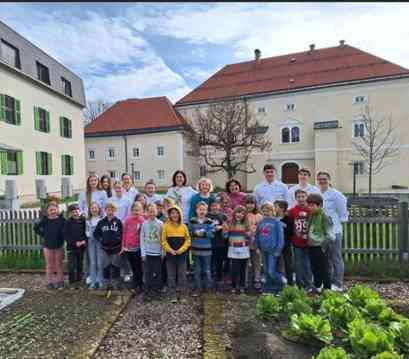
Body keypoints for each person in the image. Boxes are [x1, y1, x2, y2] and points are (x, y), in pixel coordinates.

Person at [317, 171, 348, 292]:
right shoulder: (317, 193)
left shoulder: (336, 194)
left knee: (335, 257)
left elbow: (342, 213)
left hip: (334, 231)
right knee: (325, 258)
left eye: (324, 179)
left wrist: (335, 225)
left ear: (329, 180)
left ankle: (338, 283)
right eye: (320, 179)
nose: (322, 181)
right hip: (321, 232)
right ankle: (328, 282)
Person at [161, 205, 191, 302]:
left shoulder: (183, 226)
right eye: (172, 213)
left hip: (182, 255)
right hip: (170, 255)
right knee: (171, 275)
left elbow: (188, 240)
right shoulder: (166, 225)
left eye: (176, 212)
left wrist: (181, 250)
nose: (175, 215)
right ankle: (172, 294)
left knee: (182, 275)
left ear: (179, 214)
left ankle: (182, 294)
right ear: (169, 214)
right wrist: (170, 250)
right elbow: (163, 241)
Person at [306, 193, 335, 293]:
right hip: (311, 246)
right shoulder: (312, 215)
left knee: (325, 269)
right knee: (315, 268)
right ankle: (317, 287)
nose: (310, 207)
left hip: (321, 247)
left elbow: (330, 235)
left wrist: (323, 246)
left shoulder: (324, 216)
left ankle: (327, 289)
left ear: (320, 205)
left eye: (312, 205)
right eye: (309, 205)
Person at [34, 202, 66, 290]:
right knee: (49, 265)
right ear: (47, 211)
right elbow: (36, 228)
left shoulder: (62, 220)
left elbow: (66, 231)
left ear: (57, 210)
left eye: (54, 209)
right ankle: (50, 282)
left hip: (59, 245)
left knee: (59, 264)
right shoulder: (45, 220)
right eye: (51, 210)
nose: (53, 211)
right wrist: (43, 235)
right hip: (47, 246)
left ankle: (60, 281)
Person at [255, 202, 284, 294]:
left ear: (272, 211)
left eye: (268, 211)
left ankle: (282, 283)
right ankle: (269, 288)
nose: (266, 213)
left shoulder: (276, 222)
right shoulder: (261, 222)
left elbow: (280, 238)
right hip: (263, 250)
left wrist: (278, 250)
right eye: (264, 211)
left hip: (273, 250)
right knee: (266, 271)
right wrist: (257, 247)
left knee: (271, 271)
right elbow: (257, 235)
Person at [288, 189, 313, 291]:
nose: (301, 199)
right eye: (299, 197)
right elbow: (289, 226)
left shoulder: (311, 210)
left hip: (309, 242)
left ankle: (308, 284)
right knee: (298, 263)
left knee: (308, 264)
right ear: (295, 198)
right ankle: (300, 285)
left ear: (306, 197)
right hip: (296, 242)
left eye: (303, 196)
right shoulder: (292, 211)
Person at [94, 202, 123, 290]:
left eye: (112, 210)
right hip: (104, 248)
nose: (110, 212)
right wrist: (101, 239)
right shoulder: (101, 222)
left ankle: (115, 283)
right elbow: (96, 234)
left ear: (115, 211)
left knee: (115, 266)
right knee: (105, 266)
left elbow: (122, 234)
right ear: (105, 210)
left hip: (116, 248)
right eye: (108, 210)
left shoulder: (118, 222)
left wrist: (120, 241)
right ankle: (106, 282)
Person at [189, 202, 214, 297]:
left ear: (206, 211)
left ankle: (208, 288)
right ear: (196, 211)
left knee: (207, 270)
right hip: (195, 249)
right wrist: (195, 233)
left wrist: (203, 233)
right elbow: (189, 233)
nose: (202, 211)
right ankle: (198, 288)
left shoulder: (209, 221)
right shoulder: (192, 221)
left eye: (204, 209)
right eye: (200, 209)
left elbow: (212, 234)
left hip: (207, 250)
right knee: (197, 270)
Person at [140, 204, 164, 301]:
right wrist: (143, 253)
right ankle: (147, 292)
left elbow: (163, 239)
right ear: (146, 212)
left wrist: (163, 252)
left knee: (158, 273)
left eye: (153, 211)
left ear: (156, 212)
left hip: (157, 253)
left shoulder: (160, 224)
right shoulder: (144, 224)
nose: (151, 213)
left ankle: (157, 291)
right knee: (147, 273)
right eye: (149, 211)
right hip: (147, 253)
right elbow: (142, 238)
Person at [121, 202, 145, 293]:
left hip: (138, 247)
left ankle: (140, 283)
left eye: (138, 210)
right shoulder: (127, 220)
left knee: (139, 266)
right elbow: (124, 233)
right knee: (133, 266)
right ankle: (135, 283)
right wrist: (123, 246)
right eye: (135, 210)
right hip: (128, 247)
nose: (136, 212)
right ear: (131, 211)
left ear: (141, 211)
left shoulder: (142, 221)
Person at [227, 205, 251, 294]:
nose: (239, 215)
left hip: (243, 249)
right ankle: (233, 285)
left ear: (244, 215)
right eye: (238, 212)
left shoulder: (246, 225)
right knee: (234, 269)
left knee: (242, 269)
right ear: (234, 214)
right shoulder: (231, 224)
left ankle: (242, 286)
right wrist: (225, 231)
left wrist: (246, 234)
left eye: (242, 213)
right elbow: (226, 236)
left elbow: (249, 237)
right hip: (233, 249)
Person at [64, 204, 87, 289]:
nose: (75, 213)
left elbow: (87, 232)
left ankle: (79, 282)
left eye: (77, 211)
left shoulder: (83, 220)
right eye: (73, 212)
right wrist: (74, 243)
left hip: (81, 247)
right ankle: (72, 283)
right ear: (70, 213)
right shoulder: (68, 222)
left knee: (79, 266)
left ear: (79, 211)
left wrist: (85, 241)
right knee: (71, 267)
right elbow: (66, 235)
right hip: (71, 248)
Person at [207, 198, 228, 287]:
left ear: (219, 206)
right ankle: (210, 277)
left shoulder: (223, 216)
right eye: (213, 205)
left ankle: (219, 277)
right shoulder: (207, 216)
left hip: (220, 243)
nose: (215, 207)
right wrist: (213, 229)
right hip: (210, 242)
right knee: (210, 261)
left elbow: (226, 227)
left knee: (219, 261)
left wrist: (222, 228)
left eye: (216, 205)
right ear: (210, 207)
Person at [244, 194, 263, 290]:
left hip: (256, 242)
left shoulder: (259, 216)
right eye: (248, 203)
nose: (250, 205)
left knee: (257, 262)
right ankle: (245, 280)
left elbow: (262, 229)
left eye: (252, 203)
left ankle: (257, 279)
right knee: (245, 262)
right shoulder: (243, 214)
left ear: (255, 204)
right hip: (245, 242)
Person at [274, 200, 295, 286]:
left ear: (282, 209)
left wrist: (284, 226)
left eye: (276, 206)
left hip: (286, 244)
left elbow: (291, 232)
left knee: (288, 264)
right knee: (276, 264)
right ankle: (278, 282)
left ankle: (290, 283)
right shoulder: (273, 218)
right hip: (275, 245)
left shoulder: (288, 218)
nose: (274, 208)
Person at [86, 201, 104, 289]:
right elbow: (87, 232)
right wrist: (89, 233)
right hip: (91, 242)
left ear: (99, 209)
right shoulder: (88, 220)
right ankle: (93, 282)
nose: (94, 209)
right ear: (90, 210)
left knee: (100, 262)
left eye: (95, 208)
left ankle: (100, 280)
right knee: (93, 262)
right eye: (92, 208)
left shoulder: (102, 220)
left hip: (100, 242)